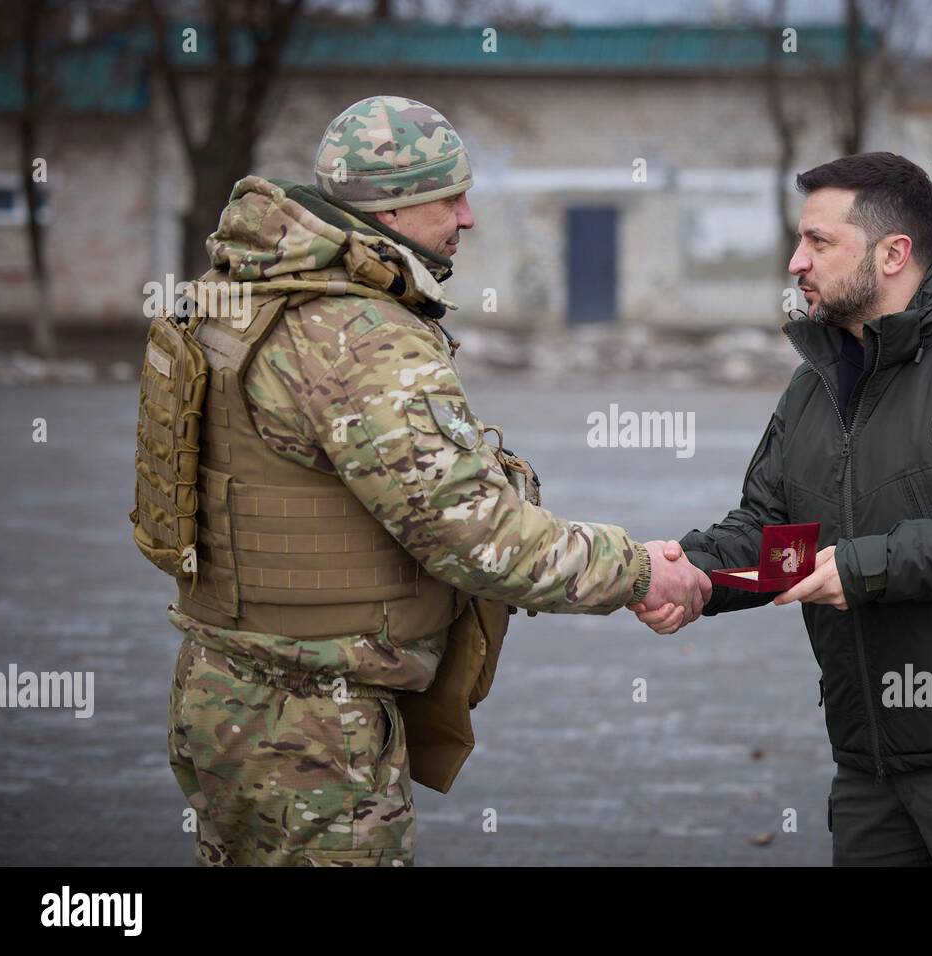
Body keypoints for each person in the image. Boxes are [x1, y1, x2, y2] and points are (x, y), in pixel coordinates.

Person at [150, 95, 709, 866]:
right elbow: (474, 535)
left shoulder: (239, 295)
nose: (468, 217)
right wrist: (639, 570)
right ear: (395, 205)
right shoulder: (360, 337)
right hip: (313, 726)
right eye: (451, 197)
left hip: (220, 693)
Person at [632, 152, 932, 866]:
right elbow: (781, 541)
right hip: (867, 771)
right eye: (799, 240)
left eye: (818, 242)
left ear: (894, 253)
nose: (795, 262)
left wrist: (865, 567)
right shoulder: (813, 388)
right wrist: (682, 573)